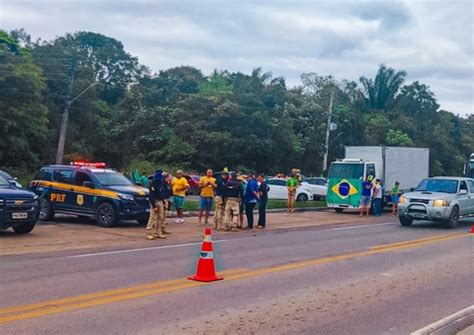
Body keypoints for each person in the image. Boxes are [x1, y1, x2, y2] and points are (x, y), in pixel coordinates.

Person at [146, 170, 170, 240]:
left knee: (161, 217)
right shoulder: (153, 183)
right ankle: (149, 233)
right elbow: (151, 196)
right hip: (155, 201)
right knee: (152, 218)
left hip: (160, 201)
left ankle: (158, 232)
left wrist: (164, 203)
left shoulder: (161, 183)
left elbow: (161, 193)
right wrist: (154, 206)